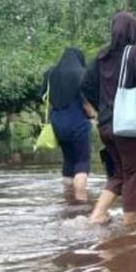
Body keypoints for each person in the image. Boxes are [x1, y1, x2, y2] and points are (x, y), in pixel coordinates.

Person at [82, 13, 136, 226]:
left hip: (106, 125)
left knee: (119, 172)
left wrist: (101, 110)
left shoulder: (101, 56)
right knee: (135, 173)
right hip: (128, 127)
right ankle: (129, 228)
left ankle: (96, 215)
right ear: (133, 32)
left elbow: (85, 85)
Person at [43, 47, 96, 204]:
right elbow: (87, 101)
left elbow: (44, 97)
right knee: (82, 162)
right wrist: (93, 116)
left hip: (57, 122)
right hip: (77, 122)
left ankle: (68, 197)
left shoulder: (50, 73)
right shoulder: (82, 73)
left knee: (68, 161)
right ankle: (80, 202)